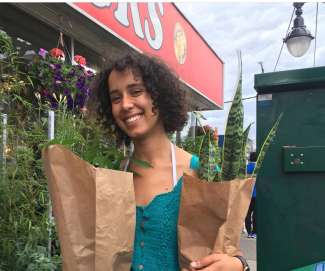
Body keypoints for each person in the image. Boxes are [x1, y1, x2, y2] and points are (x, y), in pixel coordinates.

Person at [92, 51, 248, 271]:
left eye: (136, 91)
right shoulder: (114, 175)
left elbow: (231, 246)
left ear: (160, 96)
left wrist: (237, 265)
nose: (125, 104)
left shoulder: (202, 174)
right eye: (116, 98)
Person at [245, 152, 257, 238]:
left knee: (248, 213)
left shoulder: (246, 167)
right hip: (257, 194)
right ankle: (255, 232)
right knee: (256, 214)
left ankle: (249, 232)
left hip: (247, 193)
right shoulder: (258, 167)